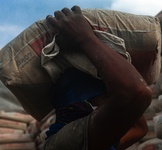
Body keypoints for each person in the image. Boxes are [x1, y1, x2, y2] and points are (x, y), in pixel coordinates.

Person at [42, 6, 152, 150]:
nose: (112, 100)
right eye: (107, 95)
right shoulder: (64, 143)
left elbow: (139, 128)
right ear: (82, 104)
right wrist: (84, 39)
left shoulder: (101, 140)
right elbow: (136, 94)